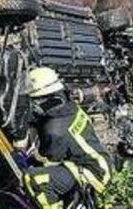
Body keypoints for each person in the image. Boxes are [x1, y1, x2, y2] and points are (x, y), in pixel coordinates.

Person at [19, 67, 113, 209]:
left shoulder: (55, 129)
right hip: (100, 162)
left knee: (35, 179)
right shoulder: (70, 108)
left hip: (92, 171)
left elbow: (50, 160)